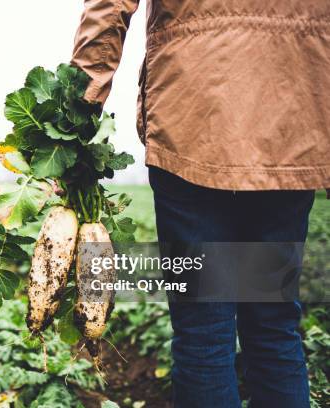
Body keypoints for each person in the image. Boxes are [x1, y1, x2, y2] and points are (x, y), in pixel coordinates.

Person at [71, 1, 330, 407]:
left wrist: (79, 108)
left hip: (192, 119)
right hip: (291, 121)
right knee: (274, 328)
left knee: (203, 333)